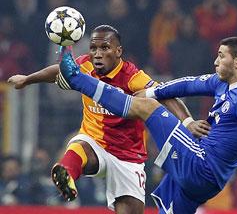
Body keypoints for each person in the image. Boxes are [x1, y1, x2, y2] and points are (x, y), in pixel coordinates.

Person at [55, 36, 237, 214]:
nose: (215, 61)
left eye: (221, 56)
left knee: (148, 109)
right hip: (200, 180)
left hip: (202, 166)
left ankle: (76, 78)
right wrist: (152, 91)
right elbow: (188, 85)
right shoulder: (223, 82)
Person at [7, 25, 209, 213]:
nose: (97, 54)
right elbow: (60, 71)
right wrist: (27, 79)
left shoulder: (133, 76)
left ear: (118, 51)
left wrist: (188, 122)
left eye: (105, 48)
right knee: (80, 145)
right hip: (94, 140)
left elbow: (165, 95)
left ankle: (70, 172)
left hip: (127, 155)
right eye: (93, 48)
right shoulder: (85, 65)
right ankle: (66, 172)